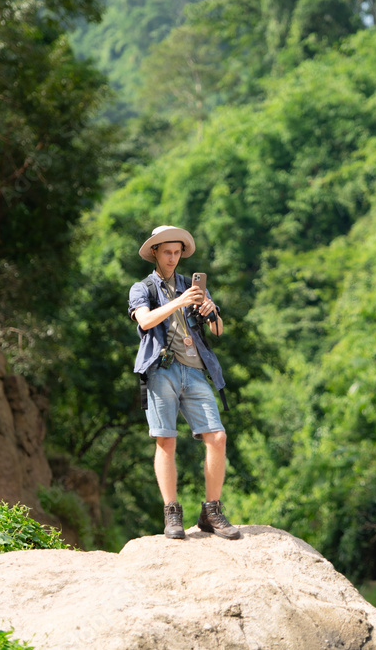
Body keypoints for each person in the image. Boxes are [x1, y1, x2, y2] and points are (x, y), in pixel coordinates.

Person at [127, 225, 239, 540]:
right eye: (167, 252)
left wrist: (210, 310)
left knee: (217, 437)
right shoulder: (142, 288)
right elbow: (146, 320)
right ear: (155, 253)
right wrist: (179, 303)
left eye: (177, 252)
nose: (173, 258)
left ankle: (212, 510)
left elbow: (217, 332)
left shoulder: (193, 287)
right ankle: (172, 513)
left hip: (194, 369)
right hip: (161, 368)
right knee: (166, 440)